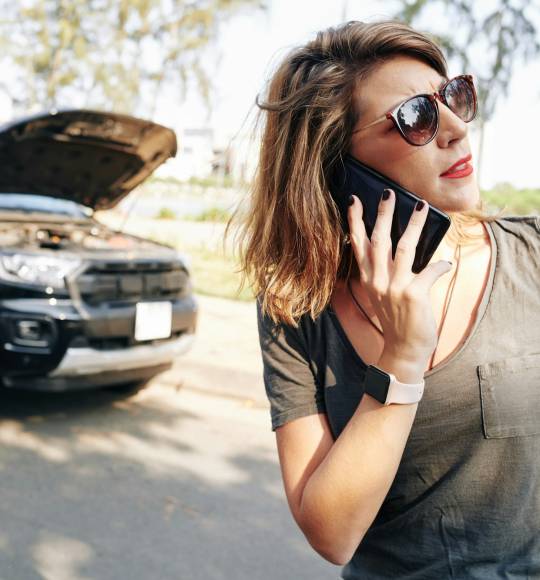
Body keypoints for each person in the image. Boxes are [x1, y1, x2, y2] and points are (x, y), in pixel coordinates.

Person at [228, 19, 540, 579]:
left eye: (453, 98)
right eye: (416, 116)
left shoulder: (531, 256)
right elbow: (331, 533)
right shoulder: (296, 302)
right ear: (339, 167)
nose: (455, 128)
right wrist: (400, 357)